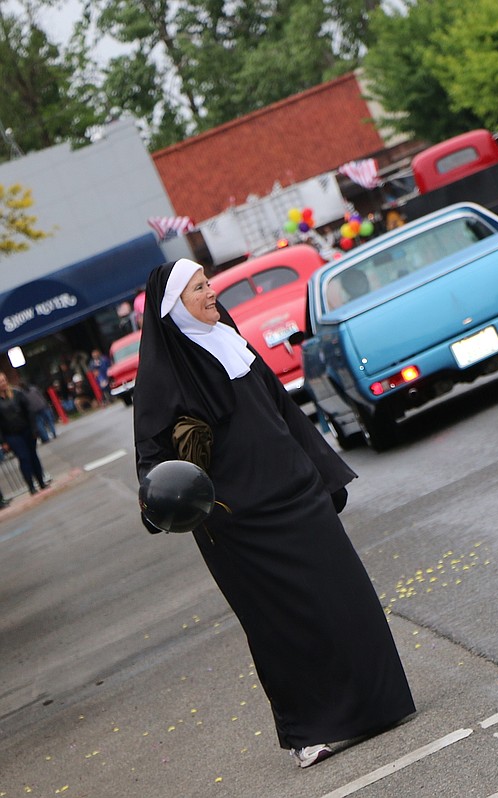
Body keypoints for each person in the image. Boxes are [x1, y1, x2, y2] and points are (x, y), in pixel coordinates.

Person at [133, 258, 415, 769]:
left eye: (208, 282)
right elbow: (152, 466)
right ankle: (312, 731)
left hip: (299, 498)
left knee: (345, 600)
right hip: (239, 526)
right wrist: (161, 505)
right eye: (198, 288)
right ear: (173, 307)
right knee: (282, 626)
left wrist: (325, 477)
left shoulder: (232, 341)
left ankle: (380, 705)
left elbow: (287, 416)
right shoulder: (162, 378)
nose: (211, 292)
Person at [0, 373, 51, 496]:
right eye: (0, 381)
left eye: (4, 380)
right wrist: (3, 441)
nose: (3, 383)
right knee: (24, 458)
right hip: (11, 435)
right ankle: (31, 486)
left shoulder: (17, 393)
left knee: (33, 455)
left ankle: (41, 480)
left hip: (26, 429)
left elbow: (29, 411)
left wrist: (34, 429)